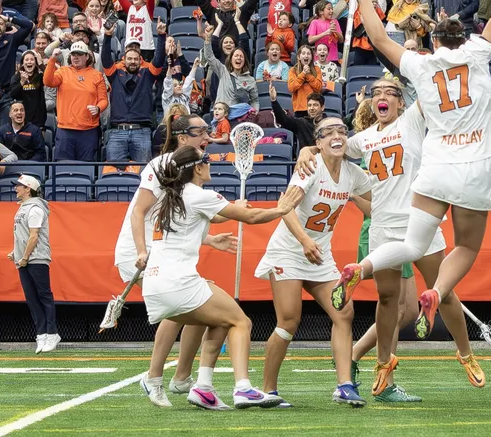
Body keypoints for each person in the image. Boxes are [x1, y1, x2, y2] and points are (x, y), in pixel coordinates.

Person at [334, 0, 491, 343]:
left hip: (437, 166)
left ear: (434, 40)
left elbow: (378, 38)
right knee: (465, 248)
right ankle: (436, 291)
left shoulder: (419, 64)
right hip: (476, 163)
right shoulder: (477, 52)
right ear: (463, 37)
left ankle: (360, 269)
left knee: (414, 245)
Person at [141, 145, 298, 409]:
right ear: (198, 168)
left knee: (220, 321)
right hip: (178, 284)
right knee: (241, 322)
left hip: (155, 287)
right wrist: (281, 210)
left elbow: (197, 223)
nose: (211, 164)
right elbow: (251, 216)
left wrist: (213, 239)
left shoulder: (169, 197)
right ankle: (243, 388)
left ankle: (203, 388)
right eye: (207, 161)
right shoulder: (197, 194)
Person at [118, 113, 236, 407]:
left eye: (208, 131)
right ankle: (154, 377)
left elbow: (177, 220)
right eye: (201, 132)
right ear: (182, 138)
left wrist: (209, 239)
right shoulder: (162, 165)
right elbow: (139, 213)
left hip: (161, 249)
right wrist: (142, 251)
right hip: (144, 252)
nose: (207, 137)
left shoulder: (189, 169)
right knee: (179, 307)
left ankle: (182, 377)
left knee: (200, 305)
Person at [253, 116, 372, 407]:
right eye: (328, 131)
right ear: (317, 142)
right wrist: (305, 241)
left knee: (344, 311)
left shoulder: (354, 174)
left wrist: (356, 198)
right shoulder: (309, 166)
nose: (336, 135)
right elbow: (286, 209)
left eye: (341, 130)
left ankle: (344, 385)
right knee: (289, 319)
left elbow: (374, 209)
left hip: (320, 254)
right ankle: (269, 390)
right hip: (290, 250)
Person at [102, 21, 166, 163]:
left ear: (140, 60)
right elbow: (106, 60)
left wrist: (161, 36)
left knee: (142, 173)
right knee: (114, 174)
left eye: (136, 59)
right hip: (117, 131)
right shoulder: (115, 74)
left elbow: (159, 60)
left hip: (141, 131)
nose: (132, 62)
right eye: (129, 59)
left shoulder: (147, 74)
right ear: (124, 60)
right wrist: (107, 36)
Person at [9, 174, 59, 353]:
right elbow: (25, 235)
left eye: (19, 186)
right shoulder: (24, 207)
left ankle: (51, 333)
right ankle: (42, 334)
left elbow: (34, 235)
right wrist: (17, 254)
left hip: (36, 258)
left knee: (43, 296)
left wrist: (24, 257)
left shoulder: (35, 208)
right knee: (32, 298)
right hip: (26, 258)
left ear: (28, 189)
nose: (16, 188)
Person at [43, 41, 107, 161]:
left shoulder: (97, 75)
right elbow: (48, 81)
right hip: (65, 129)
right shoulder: (63, 71)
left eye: (79, 54)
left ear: (87, 56)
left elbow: (103, 99)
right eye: (73, 54)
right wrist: (52, 60)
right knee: (63, 168)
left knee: (86, 168)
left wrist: (98, 108)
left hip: (88, 130)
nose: (76, 57)